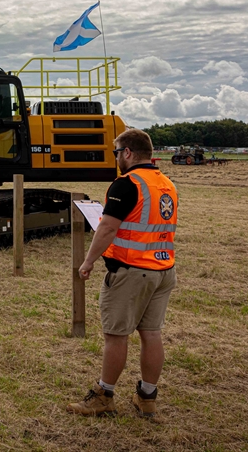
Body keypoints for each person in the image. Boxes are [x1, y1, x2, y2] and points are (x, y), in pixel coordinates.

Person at [67, 127, 178, 422]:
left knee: (116, 335)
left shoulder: (127, 183)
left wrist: (88, 261)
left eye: (117, 152)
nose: (116, 157)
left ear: (127, 153)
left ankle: (104, 397)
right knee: (151, 334)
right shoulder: (165, 183)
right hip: (163, 270)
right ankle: (147, 399)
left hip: (132, 272)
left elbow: (106, 227)